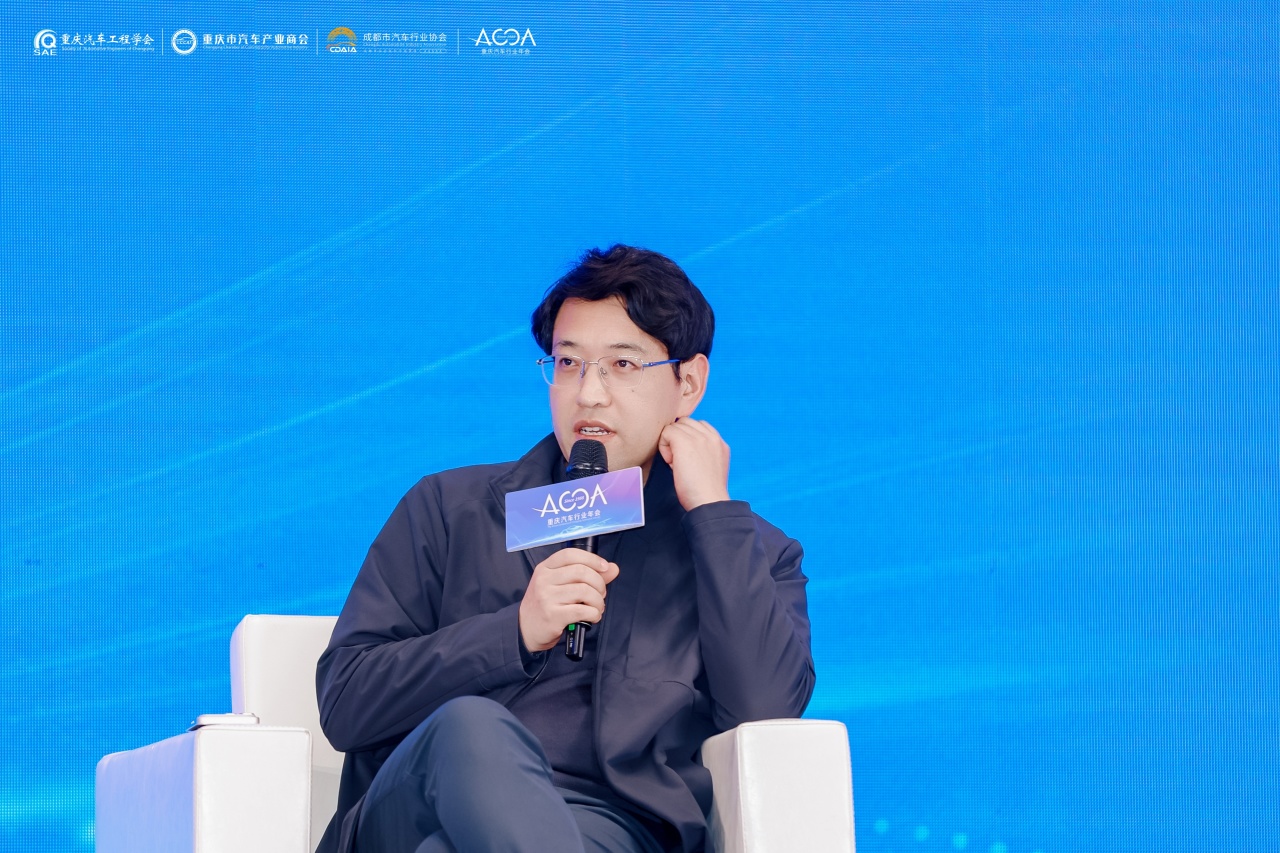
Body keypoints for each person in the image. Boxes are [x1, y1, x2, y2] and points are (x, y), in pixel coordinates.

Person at [315, 245, 814, 853]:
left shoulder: (754, 554)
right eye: (569, 363)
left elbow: (766, 720)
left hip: (608, 828)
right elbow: (346, 703)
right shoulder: (451, 509)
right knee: (470, 728)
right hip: (417, 803)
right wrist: (514, 632)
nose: (589, 394)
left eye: (622, 365)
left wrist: (713, 514)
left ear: (688, 383)